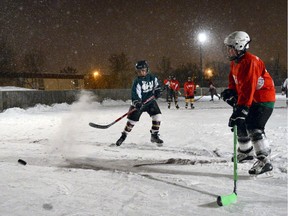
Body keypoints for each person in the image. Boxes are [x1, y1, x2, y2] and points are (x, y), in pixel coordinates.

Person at [221, 31, 276, 175]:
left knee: (254, 127)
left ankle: (265, 161)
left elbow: (249, 87)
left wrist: (242, 108)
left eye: (230, 47)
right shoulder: (235, 62)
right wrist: (231, 92)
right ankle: (246, 152)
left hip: (263, 100)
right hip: (250, 99)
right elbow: (234, 81)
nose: (228, 50)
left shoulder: (251, 62)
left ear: (239, 46)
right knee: (240, 124)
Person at [116, 60, 163, 147]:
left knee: (157, 116)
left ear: (147, 70)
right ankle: (123, 135)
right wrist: (137, 103)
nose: (141, 72)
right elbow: (135, 94)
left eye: (143, 70)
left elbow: (158, 86)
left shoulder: (153, 78)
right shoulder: (137, 81)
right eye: (139, 71)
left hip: (150, 102)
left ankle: (154, 135)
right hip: (139, 104)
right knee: (132, 121)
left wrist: (158, 91)